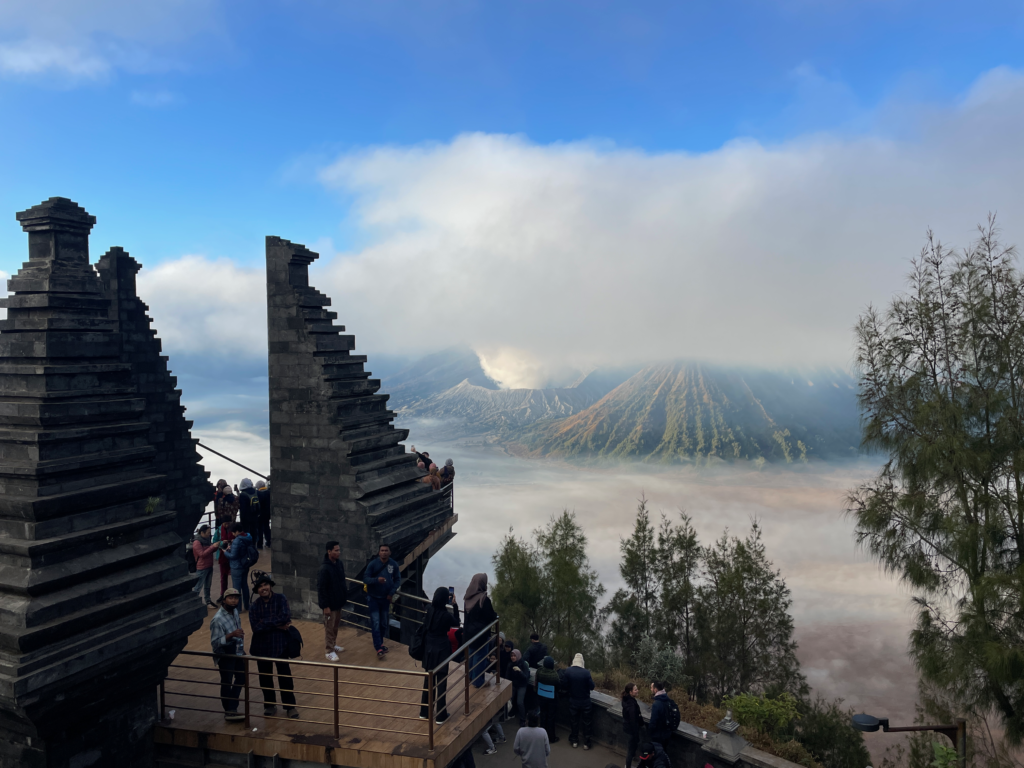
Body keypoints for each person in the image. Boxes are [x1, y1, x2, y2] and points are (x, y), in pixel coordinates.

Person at [248, 573, 298, 718]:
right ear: (257, 590)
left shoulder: (281, 598)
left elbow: (285, 617)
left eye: (265, 585)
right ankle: (269, 705)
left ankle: (290, 707)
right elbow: (255, 628)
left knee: (285, 678)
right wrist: (277, 625)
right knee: (265, 678)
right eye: (260, 586)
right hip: (261, 647)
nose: (263, 588)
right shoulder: (254, 606)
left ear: (270, 586)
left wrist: (265, 622)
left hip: (280, 645)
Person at [418, 586, 460, 723]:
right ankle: (440, 715)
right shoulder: (445, 615)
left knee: (428, 680)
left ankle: (425, 712)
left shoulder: (429, 610)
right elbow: (457, 623)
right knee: (441, 682)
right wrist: (454, 605)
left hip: (429, 649)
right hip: (441, 649)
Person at [209, 587, 246, 722]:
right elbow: (215, 643)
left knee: (242, 677)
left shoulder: (235, 611)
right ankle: (229, 711)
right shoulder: (217, 620)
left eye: (236, 598)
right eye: (230, 598)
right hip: (225, 653)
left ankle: (232, 706)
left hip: (237, 649)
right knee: (226, 681)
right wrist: (231, 635)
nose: (233, 600)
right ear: (224, 600)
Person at [363, 543, 400, 659]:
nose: (384, 552)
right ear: (379, 552)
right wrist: (376, 580)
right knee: (376, 622)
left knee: (384, 623)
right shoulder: (373, 564)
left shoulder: (393, 564)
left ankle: (381, 643)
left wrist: (391, 593)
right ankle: (378, 647)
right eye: (382, 550)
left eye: (386, 550)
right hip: (373, 598)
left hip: (385, 598)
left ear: (389, 552)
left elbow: (398, 579)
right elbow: (365, 578)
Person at [463, 573, 498, 688]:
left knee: (472, 655)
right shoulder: (484, 599)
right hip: (481, 634)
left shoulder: (467, 598)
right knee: (480, 657)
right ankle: (478, 682)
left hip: (469, 633)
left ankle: (471, 677)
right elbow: (490, 616)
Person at [317, 540, 347, 661]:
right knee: (329, 627)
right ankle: (329, 650)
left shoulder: (339, 564)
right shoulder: (324, 569)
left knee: (335, 626)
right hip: (330, 604)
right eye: (336, 550)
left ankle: (333, 644)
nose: (339, 552)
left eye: (339, 550)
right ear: (329, 552)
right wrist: (325, 606)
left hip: (338, 602)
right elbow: (321, 588)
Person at [563, 653, 595, 749]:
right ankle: (586, 742)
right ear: (582, 661)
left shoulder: (568, 671)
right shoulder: (586, 672)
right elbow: (592, 687)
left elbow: (564, 685)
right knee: (587, 722)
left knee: (574, 721)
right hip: (585, 702)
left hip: (573, 701)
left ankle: (574, 740)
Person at [225, 523, 255, 610]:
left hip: (236, 566)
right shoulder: (248, 537)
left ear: (237, 531)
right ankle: (247, 605)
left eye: (234, 532)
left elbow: (233, 556)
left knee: (236, 587)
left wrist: (225, 552)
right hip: (245, 564)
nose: (233, 534)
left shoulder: (237, 540)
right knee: (244, 585)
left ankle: (237, 608)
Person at [192, 524, 218, 607]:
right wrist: (212, 547)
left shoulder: (206, 540)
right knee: (198, 586)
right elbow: (202, 554)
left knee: (207, 585)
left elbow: (209, 551)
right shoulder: (197, 542)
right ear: (202, 532)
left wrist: (216, 546)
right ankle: (194, 602)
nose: (209, 534)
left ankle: (208, 601)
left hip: (209, 565)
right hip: (202, 567)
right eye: (208, 532)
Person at [536, 656, 560, 744]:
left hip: (541, 697)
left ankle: (542, 736)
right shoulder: (554, 675)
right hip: (551, 700)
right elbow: (558, 687)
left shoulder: (539, 671)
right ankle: (552, 737)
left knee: (543, 716)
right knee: (551, 718)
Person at [213, 512, 236, 600]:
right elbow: (214, 541)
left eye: (228, 523)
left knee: (234, 576)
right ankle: (223, 593)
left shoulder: (234, 529)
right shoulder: (218, 530)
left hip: (233, 555)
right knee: (223, 576)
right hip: (223, 555)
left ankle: (235, 592)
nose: (226, 525)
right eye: (225, 523)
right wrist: (222, 543)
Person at [622, 683, 644, 768]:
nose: (637, 690)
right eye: (635, 689)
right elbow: (633, 720)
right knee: (630, 750)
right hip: (632, 730)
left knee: (631, 748)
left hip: (627, 728)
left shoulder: (626, 700)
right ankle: (628, 766)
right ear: (630, 692)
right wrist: (636, 733)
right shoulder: (631, 705)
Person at [509, 649, 530, 726]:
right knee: (509, 699)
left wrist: (520, 671)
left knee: (519, 702)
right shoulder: (511, 664)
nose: (513, 657)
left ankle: (522, 719)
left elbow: (526, 677)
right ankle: (510, 713)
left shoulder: (523, 664)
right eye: (512, 656)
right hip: (514, 684)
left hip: (522, 685)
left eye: (514, 656)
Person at [648, 681, 672, 747]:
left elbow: (654, 720)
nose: (651, 689)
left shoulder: (656, 704)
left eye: (651, 688)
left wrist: (650, 731)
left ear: (655, 690)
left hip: (658, 734)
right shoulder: (668, 700)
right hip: (667, 733)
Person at [255, 480, 272, 550]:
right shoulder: (269, 492)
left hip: (260, 514)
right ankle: (269, 542)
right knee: (266, 528)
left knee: (259, 529)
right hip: (268, 514)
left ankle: (259, 544)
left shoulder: (258, 493)